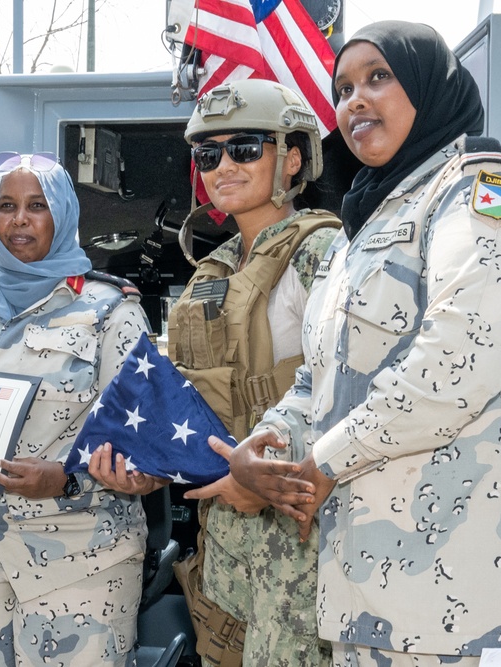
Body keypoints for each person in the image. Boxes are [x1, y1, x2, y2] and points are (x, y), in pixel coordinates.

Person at [229, 21, 501, 667]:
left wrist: (321, 461)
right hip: (377, 591)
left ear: (431, 87)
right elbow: (326, 374)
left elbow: (456, 366)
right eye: (343, 88)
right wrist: (267, 444)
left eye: (379, 77)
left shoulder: (492, 192)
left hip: (490, 585)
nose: (356, 101)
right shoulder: (366, 227)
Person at [132, 78, 338, 667]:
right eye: (207, 154)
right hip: (226, 540)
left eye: (245, 148)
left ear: (292, 159)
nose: (222, 165)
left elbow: (347, 392)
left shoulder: (324, 255)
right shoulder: (212, 271)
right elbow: (181, 401)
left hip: (301, 541)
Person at [0, 152, 151, 666]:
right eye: (6, 205)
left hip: (79, 564)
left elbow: (148, 448)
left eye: (36, 206)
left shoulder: (110, 310)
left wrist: (68, 477)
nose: (19, 219)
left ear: (63, 215)